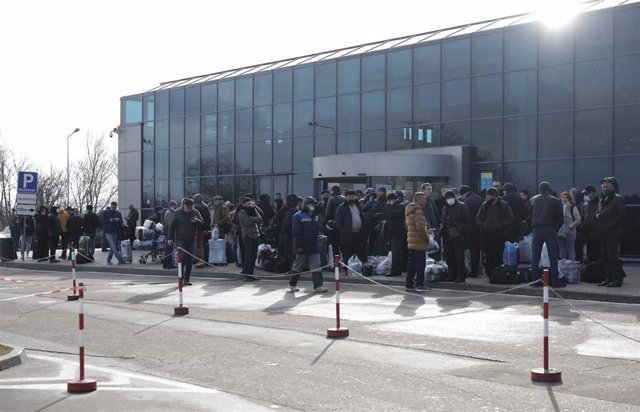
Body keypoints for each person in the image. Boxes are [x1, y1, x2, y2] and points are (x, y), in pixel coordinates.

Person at [288, 196, 328, 293]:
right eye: (311, 204)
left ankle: (318, 285)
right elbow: (296, 233)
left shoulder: (315, 216)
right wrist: (299, 247)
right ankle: (292, 284)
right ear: (305, 205)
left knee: (316, 266)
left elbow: (318, 229)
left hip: (313, 246)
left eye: (314, 204)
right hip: (302, 246)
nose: (313, 206)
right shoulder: (298, 216)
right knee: (298, 266)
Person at [528, 182, 564, 287]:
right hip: (550, 229)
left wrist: (533, 225)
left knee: (535, 257)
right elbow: (560, 218)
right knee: (553, 257)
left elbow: (529, 216)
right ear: (549, 189)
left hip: (537, 229)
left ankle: (534, 280)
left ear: (539, 189)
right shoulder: (555, 201)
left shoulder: (532, 200)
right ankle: (555, 281)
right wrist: (555, 228)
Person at [595, 177, 626, 287]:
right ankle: (608, 278)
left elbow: (621, 215)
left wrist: (610, 225)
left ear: (613, 187)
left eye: (607, 186)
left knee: (612, 256)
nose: (605, 188)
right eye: (603, 187)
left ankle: (617, 279)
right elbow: (599, 212)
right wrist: (597, 215)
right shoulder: (602, 199)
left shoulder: (618, 199)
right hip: (602, 233)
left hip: (613, 233)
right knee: (605, 256)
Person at [477, 188, 513, 276]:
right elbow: (478, 217)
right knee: (488, 254)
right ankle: (490, 272)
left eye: (488, 195)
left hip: (499, 234)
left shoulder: (503, 205)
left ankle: (497, 272)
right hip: (487, 234)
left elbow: (510, 218)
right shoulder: (484, 205)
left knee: (498, 254)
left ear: (494, 195)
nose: (486, 197)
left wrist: (501, 225)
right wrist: (482, 225)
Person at [168, 198, 204, 286]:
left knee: (190, 260)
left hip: (192, 239)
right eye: (188, 208)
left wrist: (197, 221)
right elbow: (172, 226)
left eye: (191, 207)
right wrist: (170, 238)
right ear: (184, 206)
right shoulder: (177, 213)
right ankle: (181, 278)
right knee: (182, 258)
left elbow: (203, 224)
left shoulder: (195, 212)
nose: (190, 209)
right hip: (180, 239)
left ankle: (187, 279)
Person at [440, 190, 471, 283]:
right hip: (446, 234)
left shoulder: (462, 206)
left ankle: (461, 275)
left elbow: (467, 220)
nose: (450, 199)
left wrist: (461, 231)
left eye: (451, 197)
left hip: (458, 235)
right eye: (447, 198)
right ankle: (451, 274)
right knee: (449, 256)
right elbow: (443, 220)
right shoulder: (445, 208)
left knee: (459, 256)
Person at [335, 190, 366, 270]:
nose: (351, 198)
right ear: (346, 197)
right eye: (349, 197)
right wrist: (343, 232)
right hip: (347, 235)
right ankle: (347, 269)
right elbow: (338, 222)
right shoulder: (341, 207)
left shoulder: (359, 206)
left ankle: (357, 269)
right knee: (347, 253)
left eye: (353, 196)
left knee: (359, 252)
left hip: (359, 234)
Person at [405, 192, 429, 292]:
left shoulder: (409, 209)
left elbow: (407, 226)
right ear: (418, 200)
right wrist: (427, 238)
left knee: (411, 264)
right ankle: (420, 284)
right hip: (419, 241)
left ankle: (409, 284)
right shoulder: (418, 210)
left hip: (411, 240)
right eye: (423, 199)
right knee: (420, 264)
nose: (425, 201)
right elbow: (420, 227)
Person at [459, 185, 483, 277]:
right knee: (478, 250)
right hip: (479, 228)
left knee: (473, 251)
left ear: (463, 193)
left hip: (471, 229)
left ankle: (474, 271)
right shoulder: (478, 198)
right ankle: (479, 269)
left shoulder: (467, 201)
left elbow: (465, 216)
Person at [238, 197, 262, 281]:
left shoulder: (253, 210)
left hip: (255, 235)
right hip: (247, 236)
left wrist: (254, 208)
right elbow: (246, 222)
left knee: (254, 255)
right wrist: (254, 220)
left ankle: (251, 274)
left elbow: (260, 218)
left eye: (250, 204)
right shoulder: (242, 212)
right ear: (244, 204)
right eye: (248, 204)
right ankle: (246, 274)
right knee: (248, 255)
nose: (249, 205)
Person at [383, 192, 407, 277]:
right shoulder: (397, 206)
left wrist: (389, 206)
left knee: (396, 252)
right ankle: (398, 270)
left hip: (397, 233)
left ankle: (394, 271)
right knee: (396, 252)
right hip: (395, 233)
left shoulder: (400, 206)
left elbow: (393, 214)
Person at [363, 187, 387, 256]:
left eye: (381, 192)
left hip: (378, 224)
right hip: (370, 224)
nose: (380, 193)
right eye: (379, 191)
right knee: (369, 241)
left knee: (376, 241)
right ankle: (368, 254)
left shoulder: (384, 201)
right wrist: (370, 202)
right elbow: (364, 209)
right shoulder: (371, 200)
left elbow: (384, 211)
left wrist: (378, 214)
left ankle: (373, 255)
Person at [558, 191, 581, 261]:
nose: (564, 199)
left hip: (571, 232)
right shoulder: (558, 207)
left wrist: (570, 226)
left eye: (566, 198)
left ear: (569, 199)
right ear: (561, 198)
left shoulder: (572, 207)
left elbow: (578, 219)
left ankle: (571, 267)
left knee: (570, 250)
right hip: (560, 232)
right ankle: (563, 267)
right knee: (562, 251)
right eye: (563, 197)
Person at [323, 185, 345, 261]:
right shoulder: (344, 199)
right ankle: (345, 264)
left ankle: (336, 265)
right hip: (344, 226)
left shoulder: (331, 199)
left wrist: (326, 221)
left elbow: (328, 213)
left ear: (333, 191)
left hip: (334, 226)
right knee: (343, 246)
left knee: (335, 246)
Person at [580, 185, 600, 263]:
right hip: (587, 233)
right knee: (589, 254)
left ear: (593, 193)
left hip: (597, 233)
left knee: (597, 254)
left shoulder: (600, 202)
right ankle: (591, 271)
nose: (586, 195)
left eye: (587, 193)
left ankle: (597, 271)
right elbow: (582, 217)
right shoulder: (585, 204)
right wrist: (582, 227)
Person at [193, 194, 211, 268]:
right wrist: (207, 228)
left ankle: (196, 259)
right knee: (201, 245)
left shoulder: (194, 207)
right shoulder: (205, 206)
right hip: (203, 228)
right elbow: (208, 219)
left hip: (195, 228)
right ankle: (201, 260)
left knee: (195, 244)